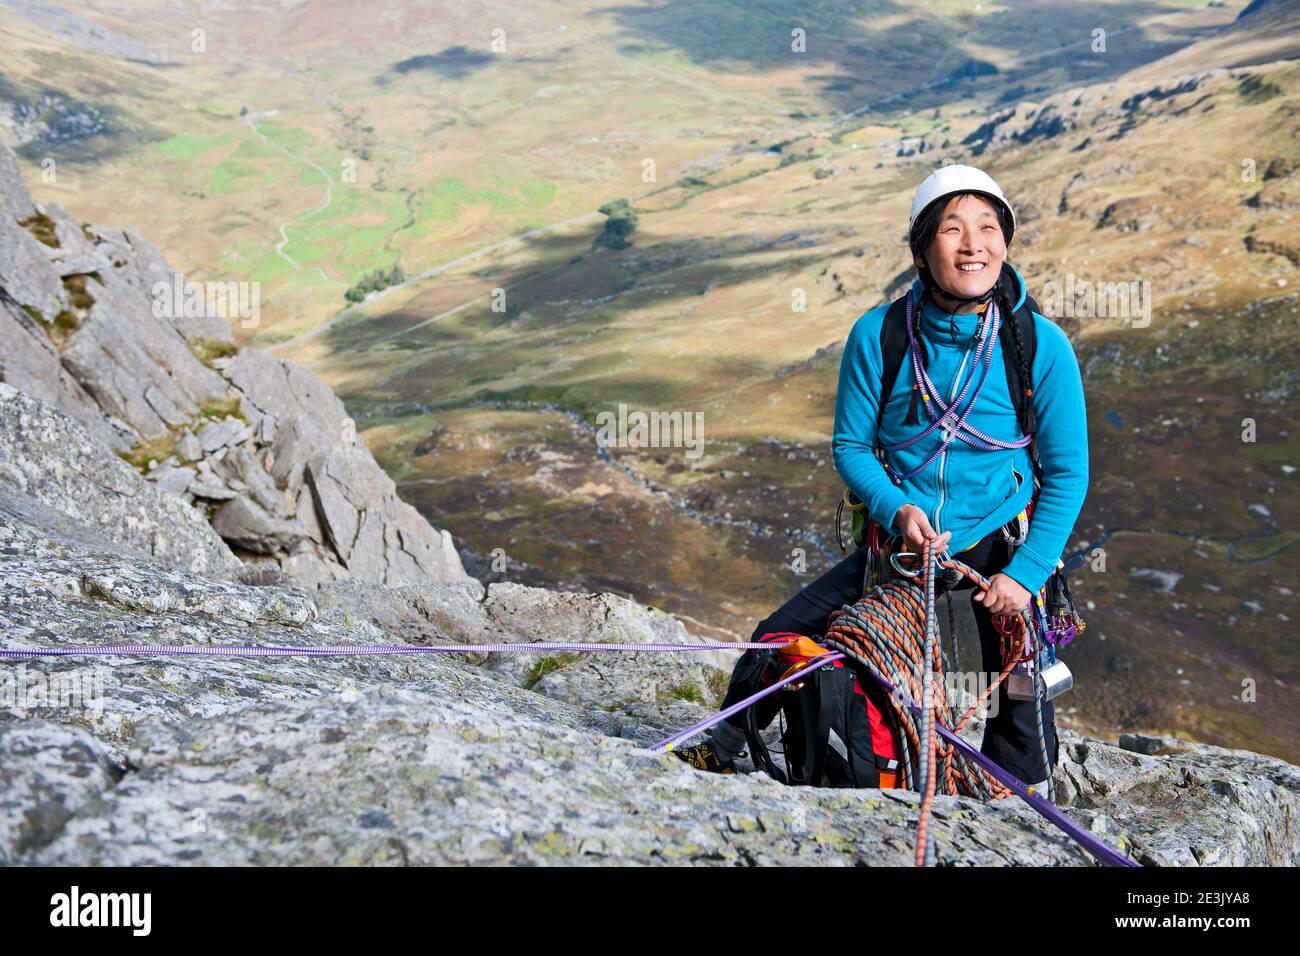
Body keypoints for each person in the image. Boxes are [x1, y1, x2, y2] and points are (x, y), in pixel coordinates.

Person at [675, 164, 1089, 787]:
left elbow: (1067, 474)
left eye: (988, 227)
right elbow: (852, 446)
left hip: (1000, 544)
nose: (973, 244)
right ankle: (726, 741)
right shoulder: (881, 335)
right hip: (900, 546)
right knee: (778, 637)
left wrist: (1025, 575)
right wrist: (897, 509)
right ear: (924, 250)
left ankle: (1017, 794)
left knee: (1016, 694)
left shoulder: (1038, 345)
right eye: (952, 229)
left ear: (1005, 241)